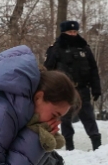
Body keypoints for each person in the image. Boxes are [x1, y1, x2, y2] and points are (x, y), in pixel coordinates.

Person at [44, 20, 102, 151]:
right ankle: (69, 146)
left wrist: (96, 88)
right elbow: (48, 70)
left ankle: (97, 145)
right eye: (70, 32)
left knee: (88, 117)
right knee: (65, 118)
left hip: (82, 89)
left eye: (75, 31)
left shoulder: (84, 48)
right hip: (64, 90)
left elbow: (93, 69)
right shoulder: (56, 49)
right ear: (64, 32)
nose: (72, 34)